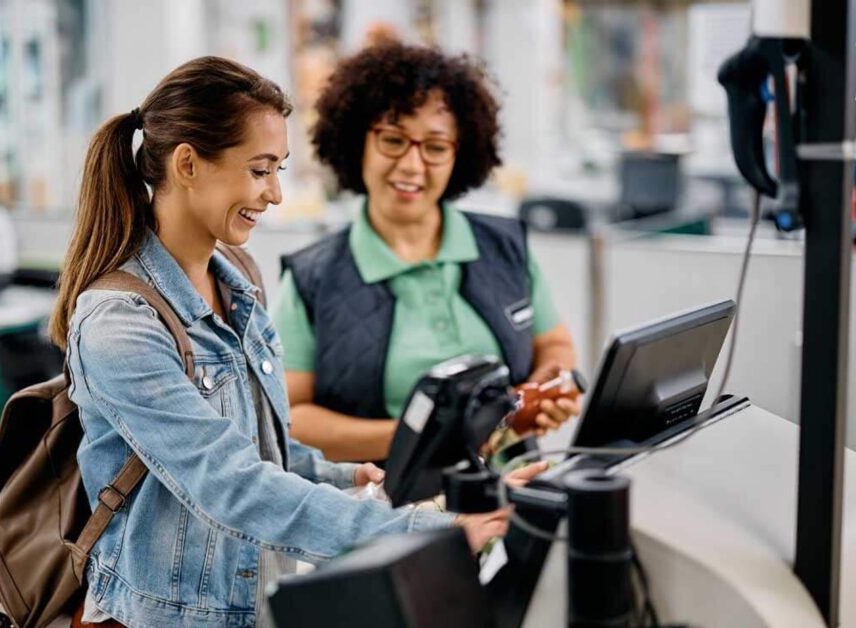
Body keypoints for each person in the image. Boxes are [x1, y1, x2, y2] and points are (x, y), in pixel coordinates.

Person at [50, 56, 534, 628]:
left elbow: (257, 446)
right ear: (187, 164)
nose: (275, 194)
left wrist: (340, 473)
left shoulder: (241, 278)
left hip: (252, 604)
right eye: (260, 171)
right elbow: (230, 483)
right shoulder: (118, 323)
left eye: (279, 169)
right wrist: (432, 531)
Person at [273, 42, 581, 463]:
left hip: (515, 499)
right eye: (393, 140)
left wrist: (546, 390)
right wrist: (424, 435)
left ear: (461, 152)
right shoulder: (312, 280)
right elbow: (291, 418)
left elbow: (555, 345)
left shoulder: (505, 247)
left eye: (435, 147)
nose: (413, 166)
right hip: (389, 513)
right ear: (356, 140)